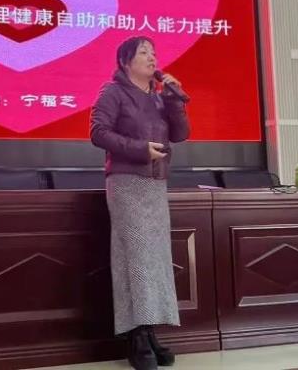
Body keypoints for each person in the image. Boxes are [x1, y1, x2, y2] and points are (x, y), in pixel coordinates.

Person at [90, 36, 190, 370]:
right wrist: (138, 149)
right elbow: (98, 133)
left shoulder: (159, 97)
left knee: (155, 258)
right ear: (125, 61)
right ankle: (136, 336)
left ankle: (149, 330)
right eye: (143, 52)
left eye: (154, 52)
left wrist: (174, 100)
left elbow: (180, 134)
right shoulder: (113, 92)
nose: (152, 57)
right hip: (126, 182)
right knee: (134, 258)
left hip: (155, 184)